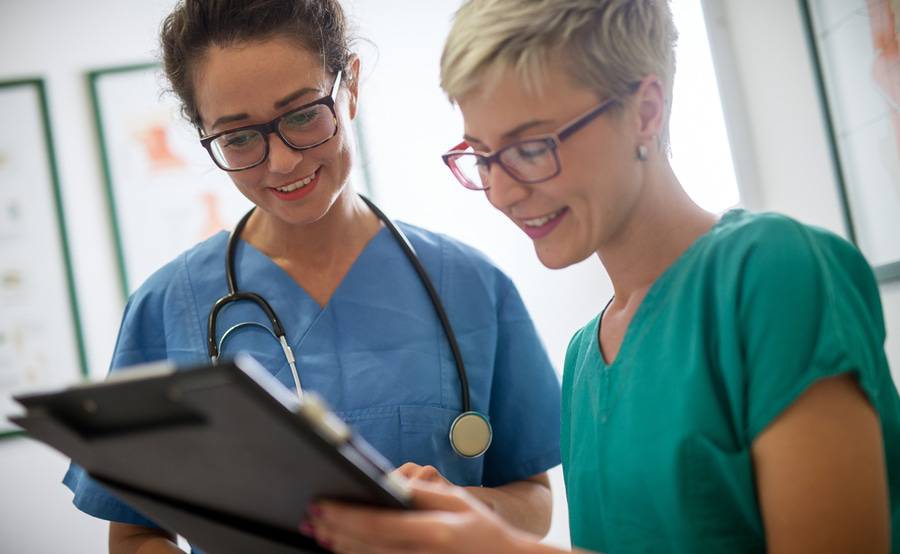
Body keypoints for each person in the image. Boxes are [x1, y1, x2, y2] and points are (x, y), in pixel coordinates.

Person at [306, 0, 900, 552]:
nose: (504, 192)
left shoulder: (773, 273)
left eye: (532, 148)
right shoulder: (586, 357)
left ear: (645, 111)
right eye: (483, 157)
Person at [62, 1, 562, 551]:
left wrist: (457, 512)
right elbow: (134, 534)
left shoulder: (470, 284)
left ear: (349, 85)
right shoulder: (167, 307)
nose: (280, 162)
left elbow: (533, 501)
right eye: (239, 138)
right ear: (206, 135)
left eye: (302, 115)